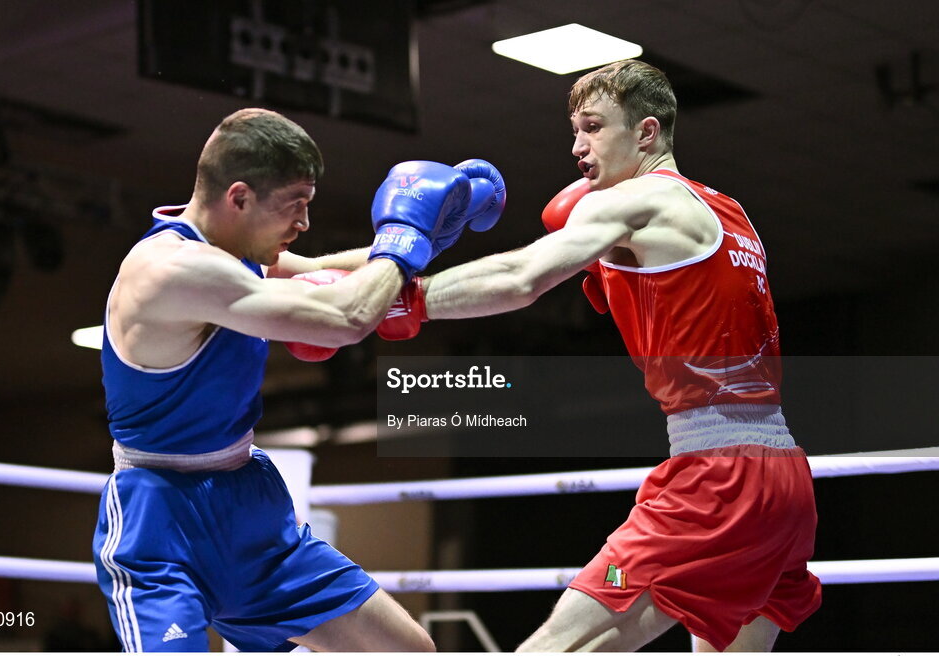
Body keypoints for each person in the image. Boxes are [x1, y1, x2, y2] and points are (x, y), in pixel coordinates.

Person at [389, 59, 821, 651]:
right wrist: (320, 272)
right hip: (784, 481)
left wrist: (409, 300)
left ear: (645, 132)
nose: (577, 145)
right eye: (574, 129)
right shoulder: (729, 213)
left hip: (716, 480)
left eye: (592, 126)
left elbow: (520, 276)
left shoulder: (637, 203)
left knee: (553, 648)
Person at [92, 107, 504, 652]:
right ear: (239, 197)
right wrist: (403, 240)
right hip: (162, 518)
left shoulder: (231, 256)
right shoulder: (170, 270)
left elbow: (325, 272)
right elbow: (346, 317)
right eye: (296, 205)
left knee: (409, 651)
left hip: (248, 504)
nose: (304, 222)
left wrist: (426, 234)